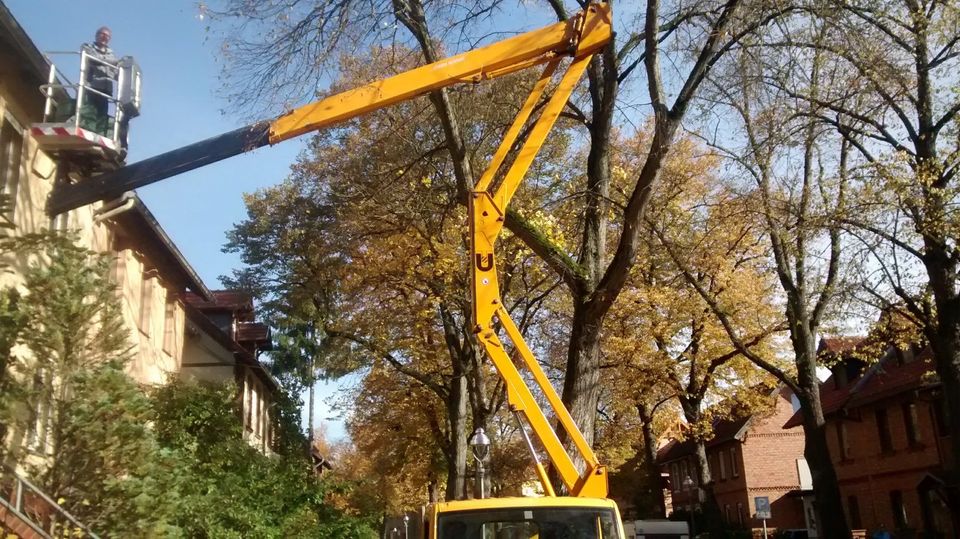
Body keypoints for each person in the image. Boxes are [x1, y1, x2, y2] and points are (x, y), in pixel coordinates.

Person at [81, 27, 119, 143]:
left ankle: (99, 138)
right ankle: (87, 134)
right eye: (102, 34)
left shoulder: (111, 53)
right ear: (97, 35)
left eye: (107, 36)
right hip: (91, 86)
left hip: (105, 89)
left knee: (102, 116)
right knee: (89, 113)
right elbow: (94, 59)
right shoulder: (88, 47)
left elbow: (115, 73)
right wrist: (114, 62)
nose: (104, 37)